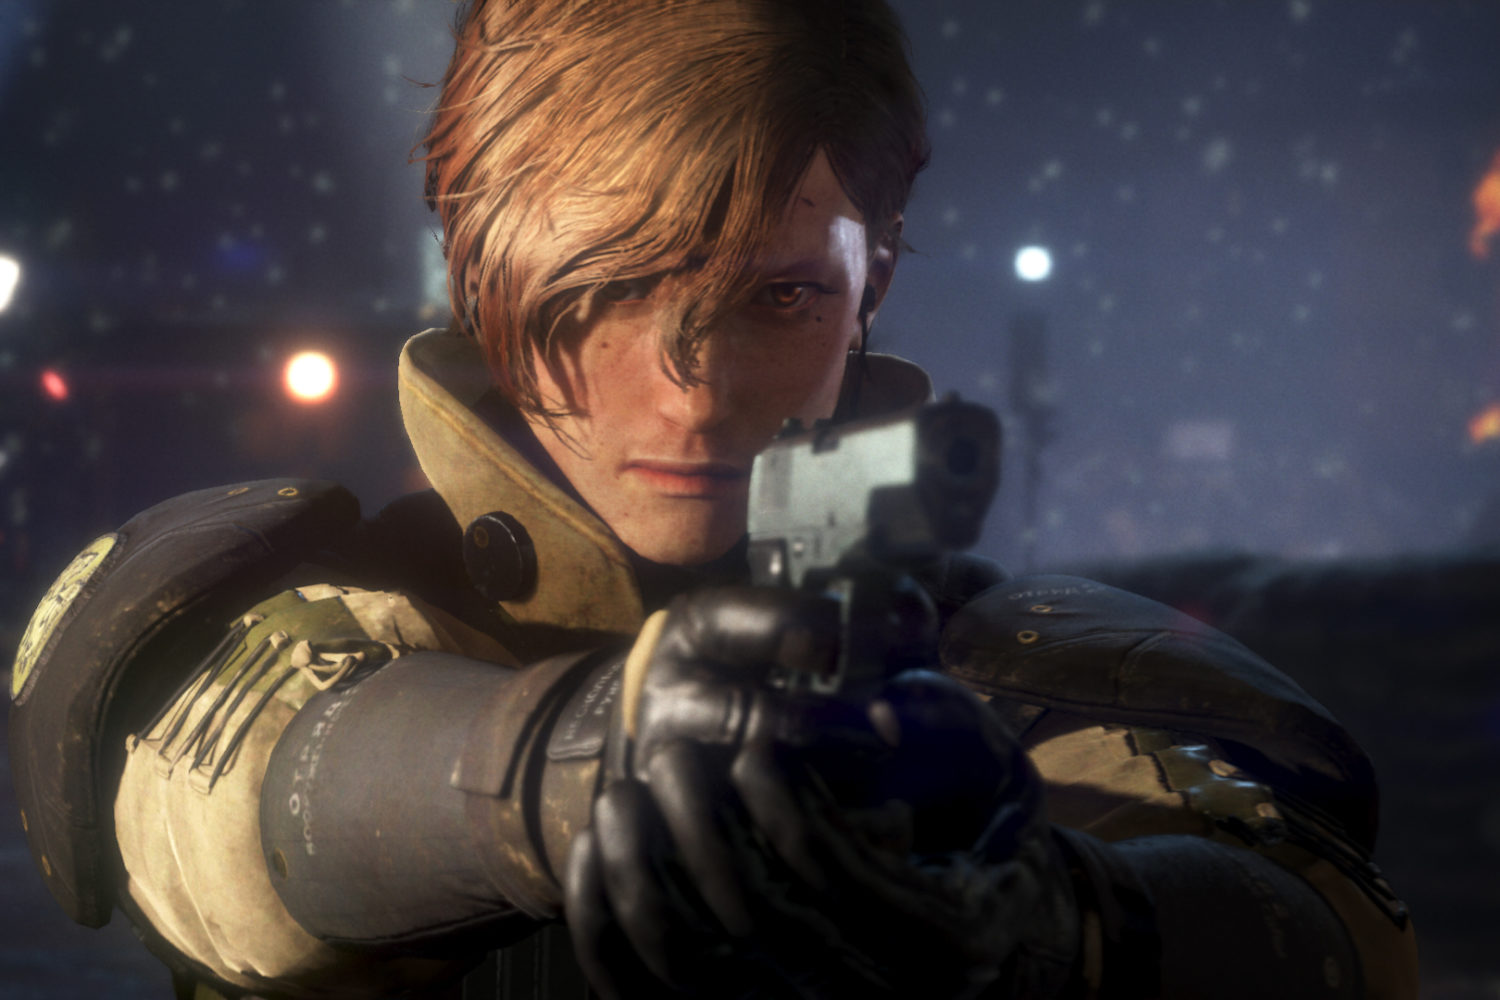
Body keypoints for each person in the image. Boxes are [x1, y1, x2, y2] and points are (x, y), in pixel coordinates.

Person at [8, 1, 1418, 997]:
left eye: (779, 297)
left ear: (874, 279)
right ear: (483, 273)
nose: (690, 392)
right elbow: (227, 808)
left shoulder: (1010, 670)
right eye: (608, 288)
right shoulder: (298, 620)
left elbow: (1325, 933)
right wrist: (582, 768)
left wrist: (1055, 931)